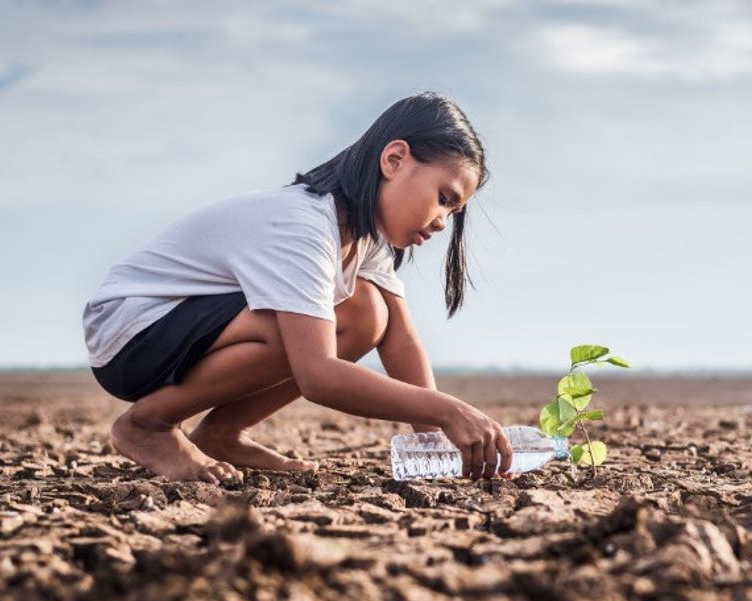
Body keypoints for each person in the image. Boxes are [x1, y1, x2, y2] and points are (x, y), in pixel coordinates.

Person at [81, 92, 511, 485]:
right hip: (132, 332)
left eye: (453, 212)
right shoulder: (304, 227)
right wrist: (449, 410)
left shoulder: (364, 237)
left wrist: (435, 445)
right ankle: (148, 424)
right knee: (299, 325)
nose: (442, 221)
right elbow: (318, 375)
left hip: (183, 328)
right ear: (394, 160)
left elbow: (401, 341)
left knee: (367, 313)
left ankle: (221, 433)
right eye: (444, 198)